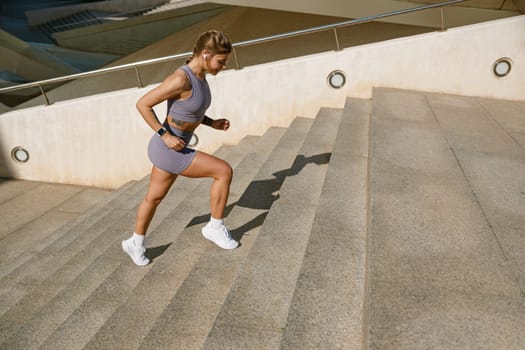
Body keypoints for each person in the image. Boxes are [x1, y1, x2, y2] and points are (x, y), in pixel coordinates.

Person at [122, 30, 238, 266]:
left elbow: (189, 110)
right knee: (223, 171)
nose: (223, 66)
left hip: (172, 147)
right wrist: (164, 135)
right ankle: (215, 227)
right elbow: (143, 104)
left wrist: (210, 122)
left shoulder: (201, 75)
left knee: (154, 198)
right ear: (206, 54)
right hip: (169, 149)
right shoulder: (180, 79)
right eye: (221, 61)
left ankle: (134, 243)